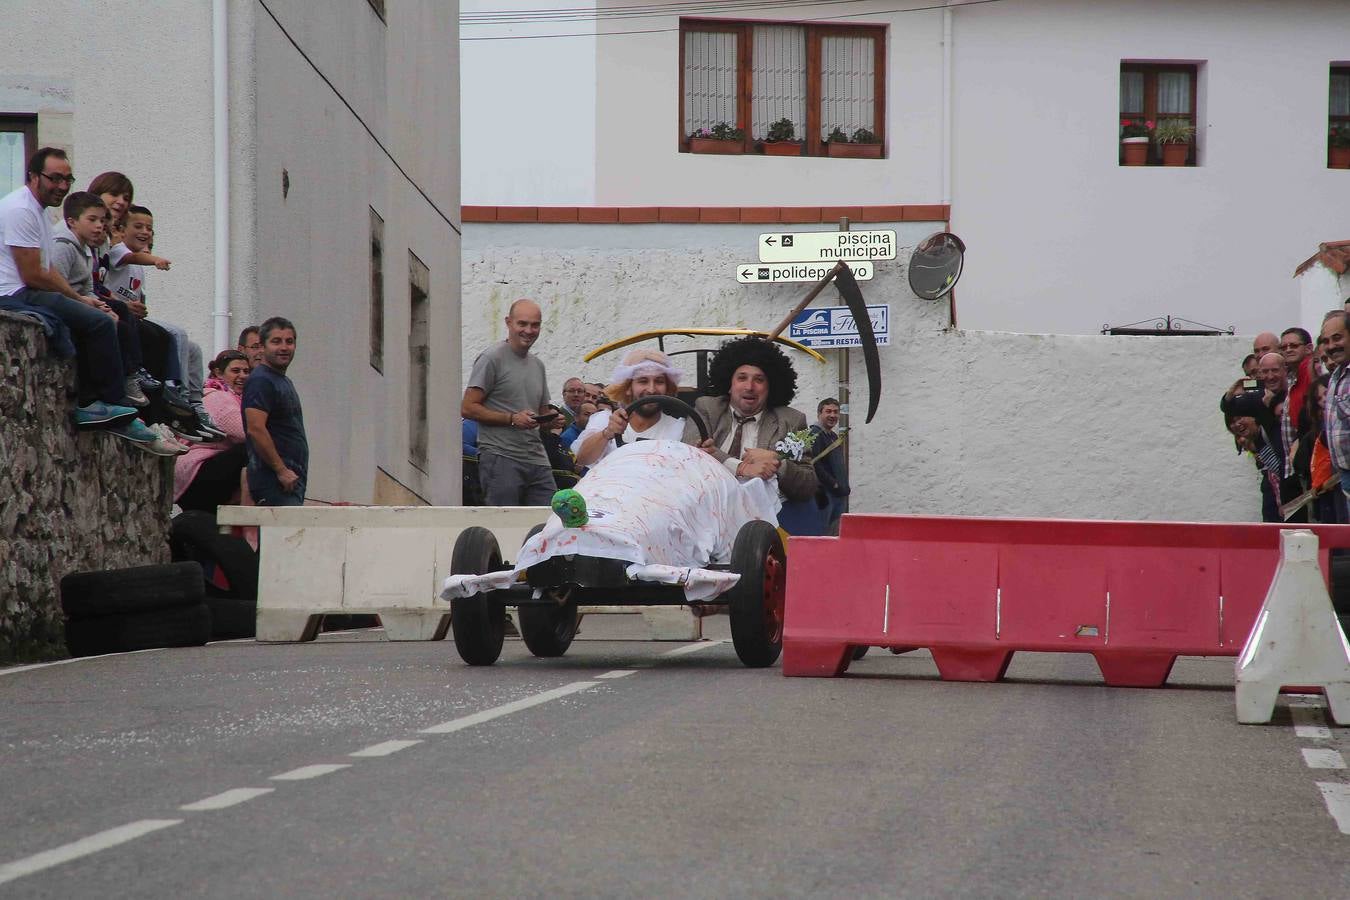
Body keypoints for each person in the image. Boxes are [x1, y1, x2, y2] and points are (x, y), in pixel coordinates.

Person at [0, 148, 167, 448]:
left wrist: (79, 298)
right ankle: (104, 404)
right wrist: (78, 300)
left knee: (105, 316)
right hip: (14, 292)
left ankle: (114, 400)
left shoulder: (37, 210)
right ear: (34, 176)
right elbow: (32, 274)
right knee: (100, 323)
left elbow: (46, 269)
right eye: (54, 178)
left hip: (29, 287)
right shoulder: (20, 209)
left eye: (67, 179)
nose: (62, 186)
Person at [682, 336, 818, 508]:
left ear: (770, 388)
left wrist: (778, 462)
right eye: (742, 378)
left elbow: (808, 486)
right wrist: (738, 467)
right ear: (729, 385)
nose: (749, 387)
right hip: (710, 511)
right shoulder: (707, 408)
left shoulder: (791, 420)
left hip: (763, 519)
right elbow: (687, 459)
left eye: (759, 380)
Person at [460, 299, 555, 505]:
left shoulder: (538, 365)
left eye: (535, 325)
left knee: (547, 524)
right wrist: (512, 419)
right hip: (500, 457)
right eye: (522, 324)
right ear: (508, 322)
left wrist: (549, 420)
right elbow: (467, 408)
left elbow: (542, 412)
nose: (529, 330)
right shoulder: (491, 358)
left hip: (537, 459)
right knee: (505, 525)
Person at [573, 348, 686, 467]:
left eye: (659, 381)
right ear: (627, 388)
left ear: (667, 388)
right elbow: (582, 460)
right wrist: (607, 433)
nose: (651, 390)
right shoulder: (605, 420)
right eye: (643, 381)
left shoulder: (679, 428)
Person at [243, 316, 308, 506]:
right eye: (276, 341)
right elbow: (255, 428)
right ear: (262, 347)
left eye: (289, 341)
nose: (284, 347)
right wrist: (281, 470)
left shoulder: (281, 380)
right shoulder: (261, 380)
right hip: (275, 481)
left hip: (289, 481)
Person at [175, 351, 251, 511]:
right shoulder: (217, 396)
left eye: (246, 371)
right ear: (218, 373)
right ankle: (248, 509)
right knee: (252, 449)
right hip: (197, 472)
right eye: (236, 371)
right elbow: (245, 433)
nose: (243, 376)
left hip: (201, 475)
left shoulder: (236, 398)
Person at [1321, 312, 1350, 506]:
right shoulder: (1336, 374)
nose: (1331, 346)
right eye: (1326, 341)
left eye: (1337, 338)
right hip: (1343, 473)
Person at [810, 397, 850, 535]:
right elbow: (814, 464)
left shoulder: (831, 435)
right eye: (828, 411)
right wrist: (833, 484)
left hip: (837, 495)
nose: (833, 415)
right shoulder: (815, 434)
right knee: (825, 533)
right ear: (819, 414)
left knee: (835, 534)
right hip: (827, 495)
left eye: (836, 412)